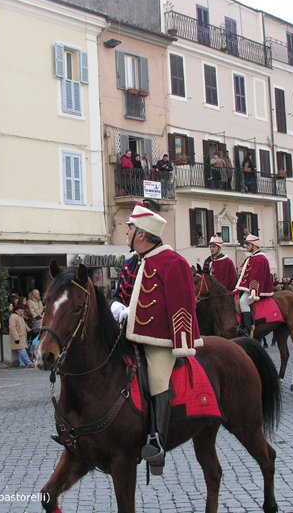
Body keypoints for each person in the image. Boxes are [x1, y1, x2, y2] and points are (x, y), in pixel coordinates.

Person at [110, 201, 202, 475]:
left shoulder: (173, 262)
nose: (125, 232)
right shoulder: (130, 264)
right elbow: (120, 295)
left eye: (129, 228)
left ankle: (156, 443)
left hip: (157, 340)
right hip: (125, 335)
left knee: (158, 381)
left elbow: (182, 306)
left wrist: (181, 344)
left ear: (141, 233)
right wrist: (117, 306)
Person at [236, 233, 274, 338]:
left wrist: (253, 290)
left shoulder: (260, 258)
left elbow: (256, 276)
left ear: (254, 245)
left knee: (243, 302)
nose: (246, 246)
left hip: (257, 289)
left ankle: (248, 329)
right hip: (248, 288)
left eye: (248, 244)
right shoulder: (252, 257)